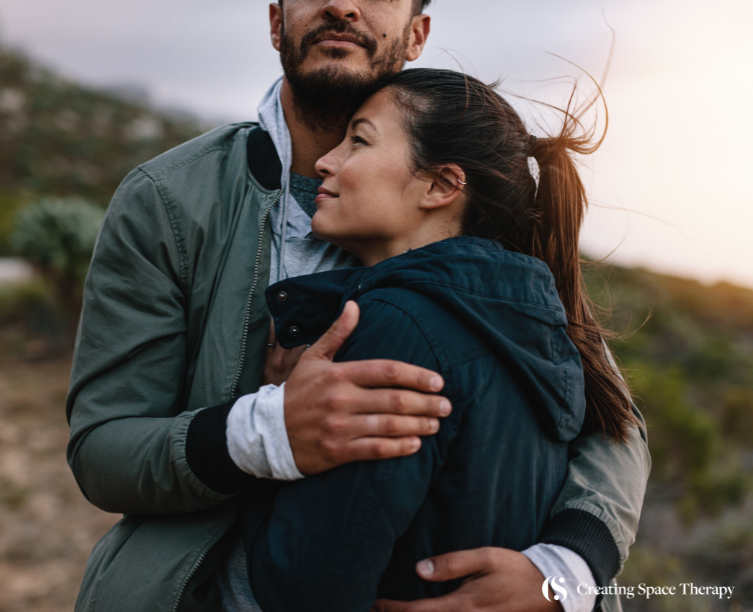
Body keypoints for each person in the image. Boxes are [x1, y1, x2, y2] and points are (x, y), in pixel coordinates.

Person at [66, 1, 651, 611]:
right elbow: (103, 447)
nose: (344, 4)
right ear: (275, 21)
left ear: (417, 32)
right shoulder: (168, 201)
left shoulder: (478, 204)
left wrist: (567, 569)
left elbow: (610, 417)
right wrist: (263, 431)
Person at [242, 67, 636, 612]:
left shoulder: (395, 325)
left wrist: (277, 426)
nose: (326, 161)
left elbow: (304, 584)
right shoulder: (534, 325)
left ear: (441, 185)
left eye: (358, 140)